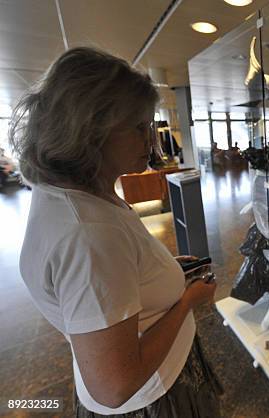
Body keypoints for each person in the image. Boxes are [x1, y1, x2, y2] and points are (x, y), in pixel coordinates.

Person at [9, 47, 221, 417]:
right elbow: (114, 385)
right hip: (154, 397)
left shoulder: (79, 194)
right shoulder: (89, 234)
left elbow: (105, 286)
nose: (151, 142)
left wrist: (158, 270)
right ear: (90, 130)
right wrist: (188, 300)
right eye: (138, 128)